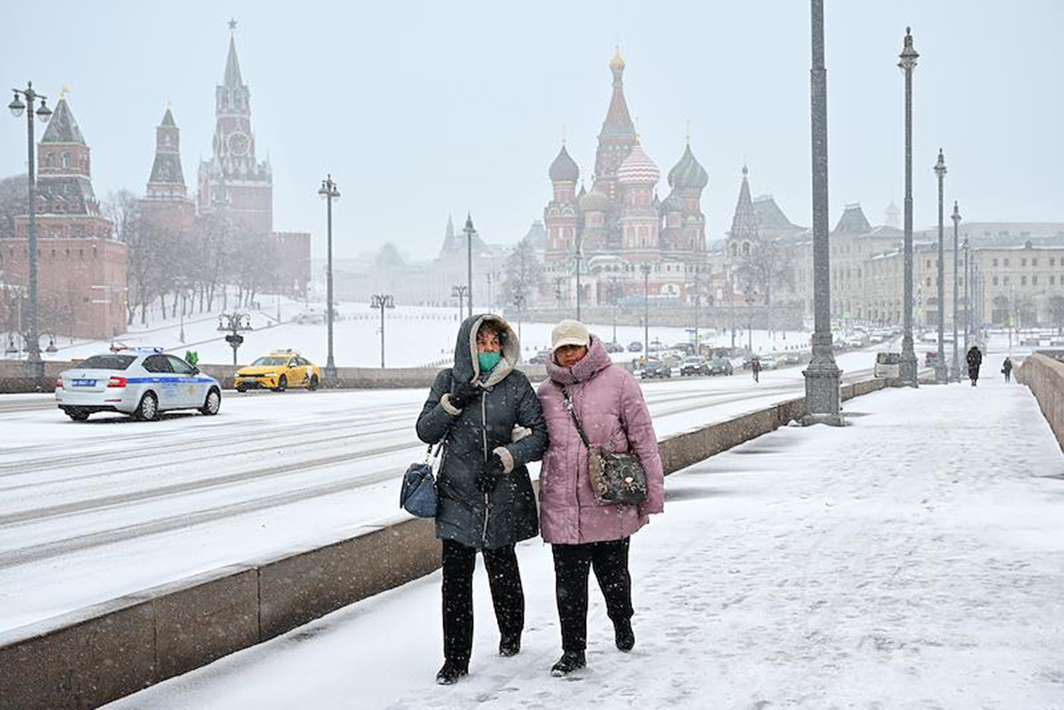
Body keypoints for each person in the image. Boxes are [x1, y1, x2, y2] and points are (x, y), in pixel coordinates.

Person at [416, 314, 547, 685]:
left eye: (494, 344)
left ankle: (511, 632)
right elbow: (425, 429)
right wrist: (453, 403)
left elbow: (538, 436)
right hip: (458, 493)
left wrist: (505, 458)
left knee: (502, 568)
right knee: (455, 580)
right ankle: (455, 658)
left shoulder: (517, 384)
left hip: (502, 492)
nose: (488, 350)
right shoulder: (447, 381)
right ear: (467, 346)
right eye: (481, 343)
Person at [536, 320, 665, 677]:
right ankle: (573, 651)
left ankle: (621, 620)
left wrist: (652, 494)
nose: (569, 354)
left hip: (610, 502)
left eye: (575, 347)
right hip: (563, 505)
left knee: (614, 578)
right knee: (569, 587)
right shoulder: (545, 392)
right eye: (562, 349)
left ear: (589, 346)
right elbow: (534, 441)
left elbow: (644, 440)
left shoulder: (620, 382)